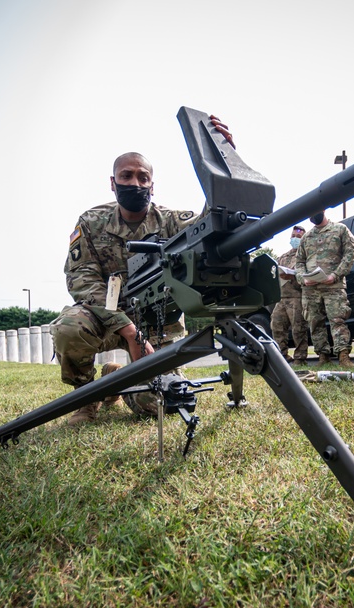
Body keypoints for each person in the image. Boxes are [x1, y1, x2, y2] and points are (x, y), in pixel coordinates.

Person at [54, 116, 235, 425]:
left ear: (153, 184)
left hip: (157, 321)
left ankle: (119, 378)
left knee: (163, 404)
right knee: (69, 327)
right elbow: (81, 278)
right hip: (108, 318)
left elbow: (212, 226)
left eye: (142, 177)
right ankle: (87, 396)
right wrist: (126, 327)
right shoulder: (91, 222)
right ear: (112, 183)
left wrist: (226, 163)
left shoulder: (172, 220)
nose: (135, 183)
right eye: (126, 176)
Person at [294, 211, 354, 368]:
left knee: (338, 320)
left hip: (333, 286)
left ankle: (343, 356)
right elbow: (299, 262)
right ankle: (323, 356)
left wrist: (335, 275)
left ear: (323, 210)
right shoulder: (306, 237)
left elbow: (350, 253)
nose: (312, 216)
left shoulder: (340, 229)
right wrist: (303, 278)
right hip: (310, 289)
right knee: (314, 322)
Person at [270, 225, 310, 363]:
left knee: (299, 328)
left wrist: (294, 276)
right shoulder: (283, 256)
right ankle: (282, 356)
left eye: (298, 237)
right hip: (282, 298)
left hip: (297, 297)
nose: (295, 238)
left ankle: (300, 358)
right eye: (293, 236)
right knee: (277, 326)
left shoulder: (306, 255)